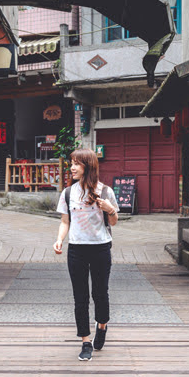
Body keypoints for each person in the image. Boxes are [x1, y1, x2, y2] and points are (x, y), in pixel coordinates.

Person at [53, 149, 119, 361]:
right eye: (72, 163)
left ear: (88, 166)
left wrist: (110, 209)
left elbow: (114, 223)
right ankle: (85, 341)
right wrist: (59, 240)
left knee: (100, 293)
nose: (72, 167)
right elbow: (65, 221)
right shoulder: (68, 193)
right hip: (76, 249)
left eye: (77, 164)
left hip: (100, 248)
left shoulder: (105, 191)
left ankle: (102, 325)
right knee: (80, 297)